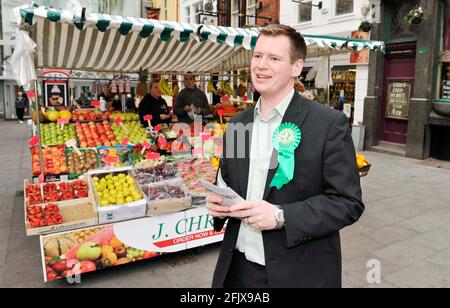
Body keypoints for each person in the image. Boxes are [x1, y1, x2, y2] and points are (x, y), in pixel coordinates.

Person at [206, 24, 364, 288]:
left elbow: (348, 203)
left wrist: (281, 216)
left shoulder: (328, 123)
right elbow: (227, 183)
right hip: (237, 271)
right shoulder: (237, 124)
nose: (261, 65)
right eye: (257, 56)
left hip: (298, 273)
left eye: (274, 58)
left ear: (296, 67)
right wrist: (218, 206)